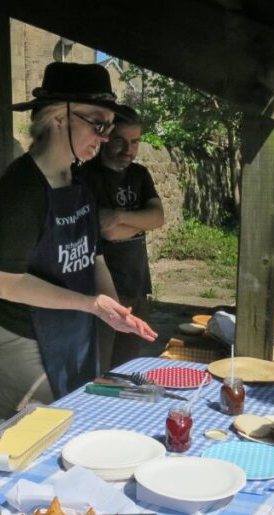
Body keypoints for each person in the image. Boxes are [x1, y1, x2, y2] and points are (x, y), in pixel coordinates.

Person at [0, 63, 157, 417]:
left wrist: (114, 310)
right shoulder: (21, 188)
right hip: (23, 339)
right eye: (98, 123)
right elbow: (6, 283)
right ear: (59, 118)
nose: (105, 136)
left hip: (72, 334)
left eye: (108, 125)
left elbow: (94, 259)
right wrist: (91, 305)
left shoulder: (78, 183)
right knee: (45, 441)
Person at [80, 105, 165, 372]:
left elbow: (158, 218)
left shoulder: (139, 174)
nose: (128, 150)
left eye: (135, 142)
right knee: (99, 369)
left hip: (136, 285)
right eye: (120, 140)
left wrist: (117, 215)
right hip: (102, 291)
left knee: (128, 368)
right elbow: (104, 231)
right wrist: (137, 223)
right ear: (105, 137)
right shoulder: (85, 176)